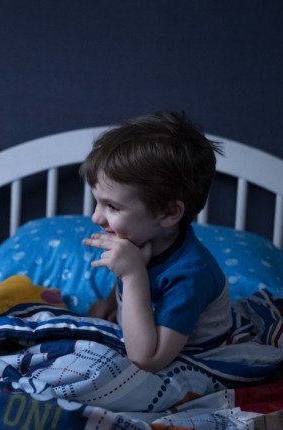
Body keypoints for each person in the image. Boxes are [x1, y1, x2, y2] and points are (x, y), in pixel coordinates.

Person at [81, 111, 231, 373]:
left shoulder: (191, 275)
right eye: (97, 202)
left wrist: (133, 275)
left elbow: (147, 360)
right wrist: (110, 303)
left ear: (169, 213)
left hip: (190, 358)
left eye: (112, 207)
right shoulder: (141, 237)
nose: (96, 217)